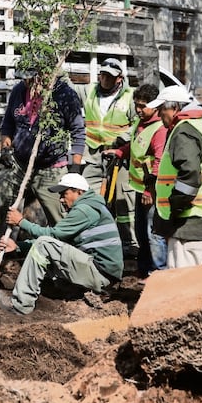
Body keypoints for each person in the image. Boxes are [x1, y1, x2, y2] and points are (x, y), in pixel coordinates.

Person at [0, 68, 85, 269]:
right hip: (20, 162)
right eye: (24, 79)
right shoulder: (18, 91)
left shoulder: (65, 95)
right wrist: (5, 149)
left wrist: (74, 169)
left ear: (46, 75)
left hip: (51, 167)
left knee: (62, 217)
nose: (27, 83)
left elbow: (78, 133)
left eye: (31, 79)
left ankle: (71, 265)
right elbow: (7, 126)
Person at [0, 172, 123, 315]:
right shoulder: (90, 207)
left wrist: (21, 222)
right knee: (45, 248)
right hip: (101, 273)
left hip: (100, 274)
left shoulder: (85, 210)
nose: (60, 199)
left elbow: (53, 236)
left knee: (43, 244)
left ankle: (20, 304)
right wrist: (19, 247)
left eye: (63, 193)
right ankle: (60, 289)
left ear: (79, 192)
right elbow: (59, 241)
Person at [151, 85, 202, 268]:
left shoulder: (184, 131)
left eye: (160, 109)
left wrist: (175, 205)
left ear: (174, 108)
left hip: (190, 226)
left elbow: (190, 176)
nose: (158, 115)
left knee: (182, 287)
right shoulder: (200, 126)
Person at [77, 58, 138, 257]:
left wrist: (122, 142)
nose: (104, 79)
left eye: (109, 77)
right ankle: (92, 240)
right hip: (94, 154)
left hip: (120, 155)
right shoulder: (90, 91)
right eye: (102, 75)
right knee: (89, 197)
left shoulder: (130, 97)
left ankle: (128, 242)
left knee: (123, 199)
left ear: (119, 78)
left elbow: (137, 124)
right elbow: (69, 90)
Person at [106, 84, 167, 276]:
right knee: (141, 231)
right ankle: (144, 267)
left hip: (152, 191)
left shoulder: (159, 129)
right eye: (136, 105)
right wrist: (119, 152)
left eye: (143, 106)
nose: (138, 110)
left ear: (156, 106)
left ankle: (157, 273)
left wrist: (150, 191)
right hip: (140, 188)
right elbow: (133, 147)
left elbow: (158, 162)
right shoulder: (141, 124)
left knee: (152, 233)